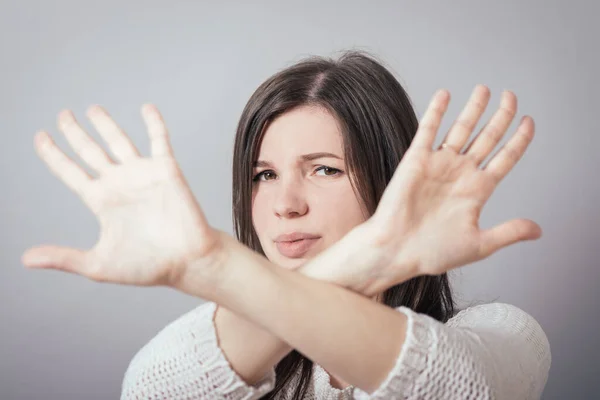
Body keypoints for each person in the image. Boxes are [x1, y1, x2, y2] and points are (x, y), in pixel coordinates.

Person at [22, 50, 551, 399]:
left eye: (324, 169)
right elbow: (150, 391)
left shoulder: (507, 336)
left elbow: (458, 386)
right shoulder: (222, 341)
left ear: (393, 182)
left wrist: (213, 264)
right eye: (264, 175)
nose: (285, 204)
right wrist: (365, 258)